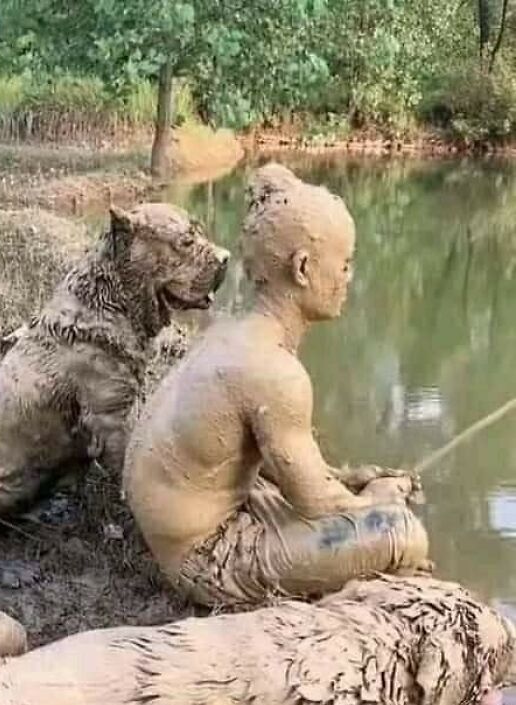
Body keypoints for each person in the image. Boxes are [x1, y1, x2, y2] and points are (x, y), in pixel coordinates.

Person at [123, 164, 430, 608]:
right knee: (402, 532)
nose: (348, 277)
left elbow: (263, 454)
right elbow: (317, 504)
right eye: (344, 264)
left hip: (174, 524)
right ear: (302, 268)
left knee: (346, 501)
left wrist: (344, 478)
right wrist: (379, 499)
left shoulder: (228, 330)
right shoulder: (276, 373)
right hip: (205, 559)